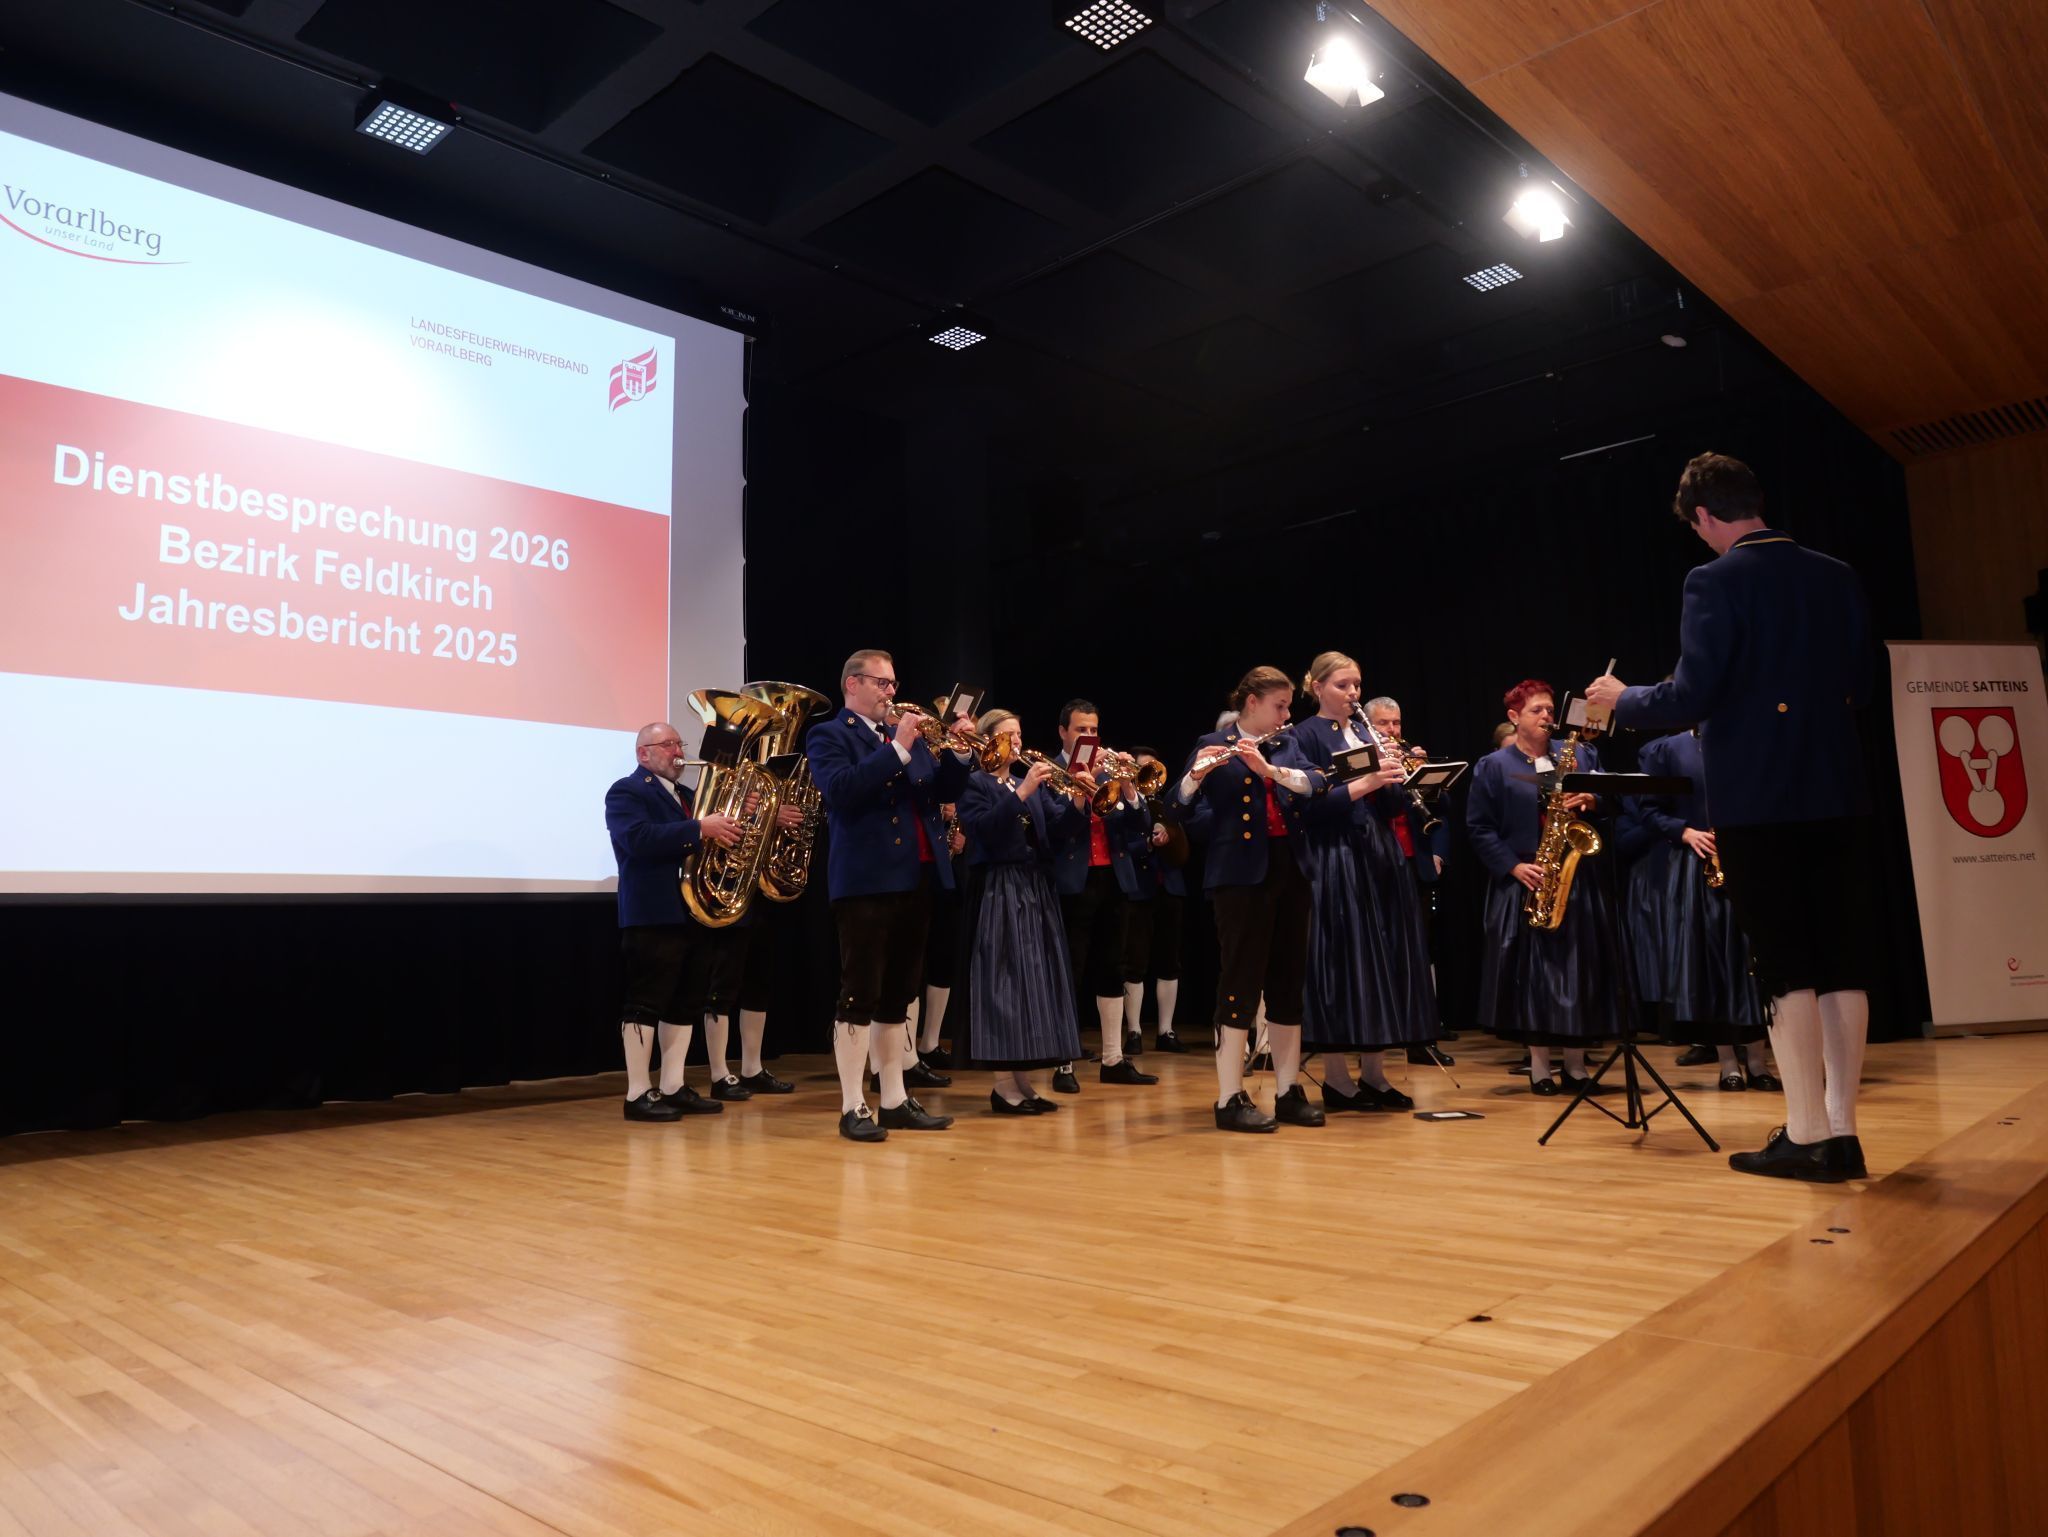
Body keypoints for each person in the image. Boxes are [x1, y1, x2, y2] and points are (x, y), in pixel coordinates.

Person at [1589, 452, 1876, 1182]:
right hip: (1839, 788)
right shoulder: (1835, 573)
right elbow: (1865, 678)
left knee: (1783, 963)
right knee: (1841, 960)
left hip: (1759, 797)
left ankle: (1806, 1134)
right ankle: (1842, 1132)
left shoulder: (1713, 579)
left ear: (1704, 516)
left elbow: (1691, 694)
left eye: (1695, 526)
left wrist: (1622, 699)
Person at [807, 650, 974, 1142]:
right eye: (882, 683)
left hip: (916, 876)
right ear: (852, 684)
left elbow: (939, 790)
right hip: (866, 880)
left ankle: (895, 1099)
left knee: (899, 994)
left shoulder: (903, 735)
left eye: (893, 684)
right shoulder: (830, 734)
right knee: (860, 993)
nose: (891, 692)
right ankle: (852, 1105)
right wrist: (898, 747)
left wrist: (960, 752)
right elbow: (841, 790)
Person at [1171, 666, 1331, 1131]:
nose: (1286, 715)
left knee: (1287, 983)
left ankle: (1287, 1091)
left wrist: (1271, 770)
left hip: (1290, 871)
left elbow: (1317, 783)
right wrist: (1196, 776)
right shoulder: (1212, 743)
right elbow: (1177, 807)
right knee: (1239, 982)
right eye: (1279, 706)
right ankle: (1228, 1097)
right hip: (1240, 878)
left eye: (1288, 706)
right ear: (1252, 702)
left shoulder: (1286, 744)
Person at [1464, 679, 1632, 1095]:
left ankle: (1576, 1067)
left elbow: (1617, 802)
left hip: (1578, 881)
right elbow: (1479, 827)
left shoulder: (1580, 754)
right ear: (1514, 717)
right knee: (1534, 980)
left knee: (1579, 974)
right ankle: (1540, 1068)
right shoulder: (1494, 765)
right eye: (1536, 710)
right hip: (1527, 880)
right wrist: (1512, 866)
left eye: (1549, 710)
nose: (1546, 717)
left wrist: (1592, 800)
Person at [1291, 654, 1439, 1113]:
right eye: (1343, 685)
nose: (1353, 693)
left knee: (1384, 961)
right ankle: (1337, 1080)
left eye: (1356, 684)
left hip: (1379, 854)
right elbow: (1310, 808)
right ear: (1317, 687)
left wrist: (1398, 777)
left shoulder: (1365, 731)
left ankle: (1375, 1076)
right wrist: (1369, 781)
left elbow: (1391, 805)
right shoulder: (1305, 735)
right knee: (1345, 962)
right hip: (1336, 855)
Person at [603, 722, 748, 1121]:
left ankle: (672, 1085)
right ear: (643, 754)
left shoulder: (687, 796)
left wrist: (738, 817)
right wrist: (700, 827)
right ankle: (637, 1092)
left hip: (692, 912)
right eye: (667, 744)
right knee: (645, 1002)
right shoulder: (627, 791)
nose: (678, 751)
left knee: (686, 1002)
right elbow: (638, 839)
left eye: (678, 743)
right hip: (652, 913)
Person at [1618, 729, 1777, 1093]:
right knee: (1710, 965)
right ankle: (1727, 1063)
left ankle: (1758, 1061)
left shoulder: (1745, 738)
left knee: (1749, 964)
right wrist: (1684, 831)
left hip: (1744, 860)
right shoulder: (1666, 750)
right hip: (1695, 864)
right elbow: (1649, 811)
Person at [955, 709, 1086, 1112]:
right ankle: (1002, 1085)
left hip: (1035, 886)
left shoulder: (1023, 780)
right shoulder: (975, 783)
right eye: (1008, 735)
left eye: (1019, 733)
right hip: (1000, 887)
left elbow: (1058, 830)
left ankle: (1023, 1082)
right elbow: (982, 829)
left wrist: (1079, 798)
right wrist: (1022, 794)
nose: (1017, 741)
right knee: (1003, 985)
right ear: (988, 740)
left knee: (1034, 984)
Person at [1047, 699, 1158, 1093]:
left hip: (1114, 877)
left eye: (1094, 730)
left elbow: (1139, 823)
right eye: (1081, 730)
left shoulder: (1110, 770)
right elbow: (1056, 830)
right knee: (1070, 971)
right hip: (1073, 882)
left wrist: (1128, 786)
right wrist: (1081, 785)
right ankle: (1063, 1063)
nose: (1089, 737)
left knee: (1113, 968)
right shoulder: (1049, 771)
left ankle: (1113, 1059)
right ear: (1063, 732)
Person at [1364, 692, 1457, 1064]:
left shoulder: (1409, 756)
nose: (1392, 729)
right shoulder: (1362, 758)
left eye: (1396, 722)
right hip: (1374, 864)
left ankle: (1420, 1037)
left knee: (1417, 952)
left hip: (1412, 862)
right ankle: (1374, 1036)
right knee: (1376, 952)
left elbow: (1443, 809)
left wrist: (1423, 775)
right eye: (1383, 723)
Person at [1120, 747, 1189, 1054]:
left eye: (1151, 769)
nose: (1147, 774)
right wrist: (1148, 842)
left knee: (1170, 961)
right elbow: (1122, 845)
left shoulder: (1165, 804)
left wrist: (1171, 836)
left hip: (1169, 887)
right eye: (1140, 769)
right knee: (1134, 962)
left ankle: (1166, 1031)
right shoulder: (1124, 802)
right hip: (1138, 889)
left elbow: (1183, 847)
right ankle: (1134, 1031)